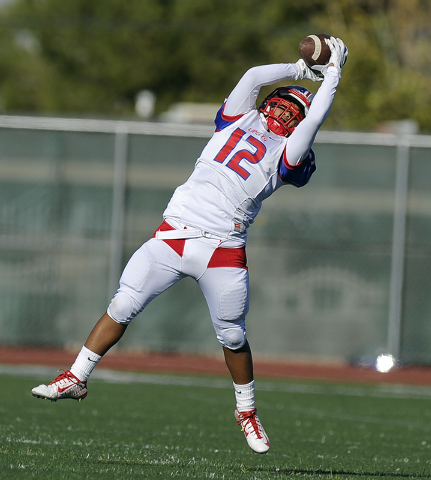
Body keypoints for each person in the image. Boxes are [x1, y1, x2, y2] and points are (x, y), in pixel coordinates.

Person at [32, 36, 348, 454]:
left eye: (294, 109)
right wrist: (299, 69)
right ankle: (76, 376)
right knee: (123, 303)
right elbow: (254, 77)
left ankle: (247, 412)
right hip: (175, 232)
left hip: (223, 247)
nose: (284, 109)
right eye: (282, 102)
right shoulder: (233, 120)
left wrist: (333, 76)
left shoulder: (287, 155)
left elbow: (314, 120)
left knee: (232, 335)